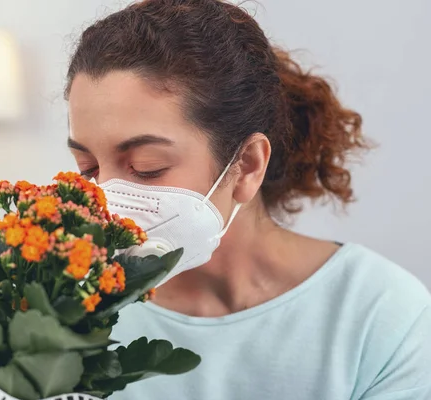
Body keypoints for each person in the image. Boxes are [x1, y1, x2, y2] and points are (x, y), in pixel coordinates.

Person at [64, 0, 431, 399]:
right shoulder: (67, 310)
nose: (107, 199)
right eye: (88, 168)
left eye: (146, 166)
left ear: (248, 165)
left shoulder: (379, 313)